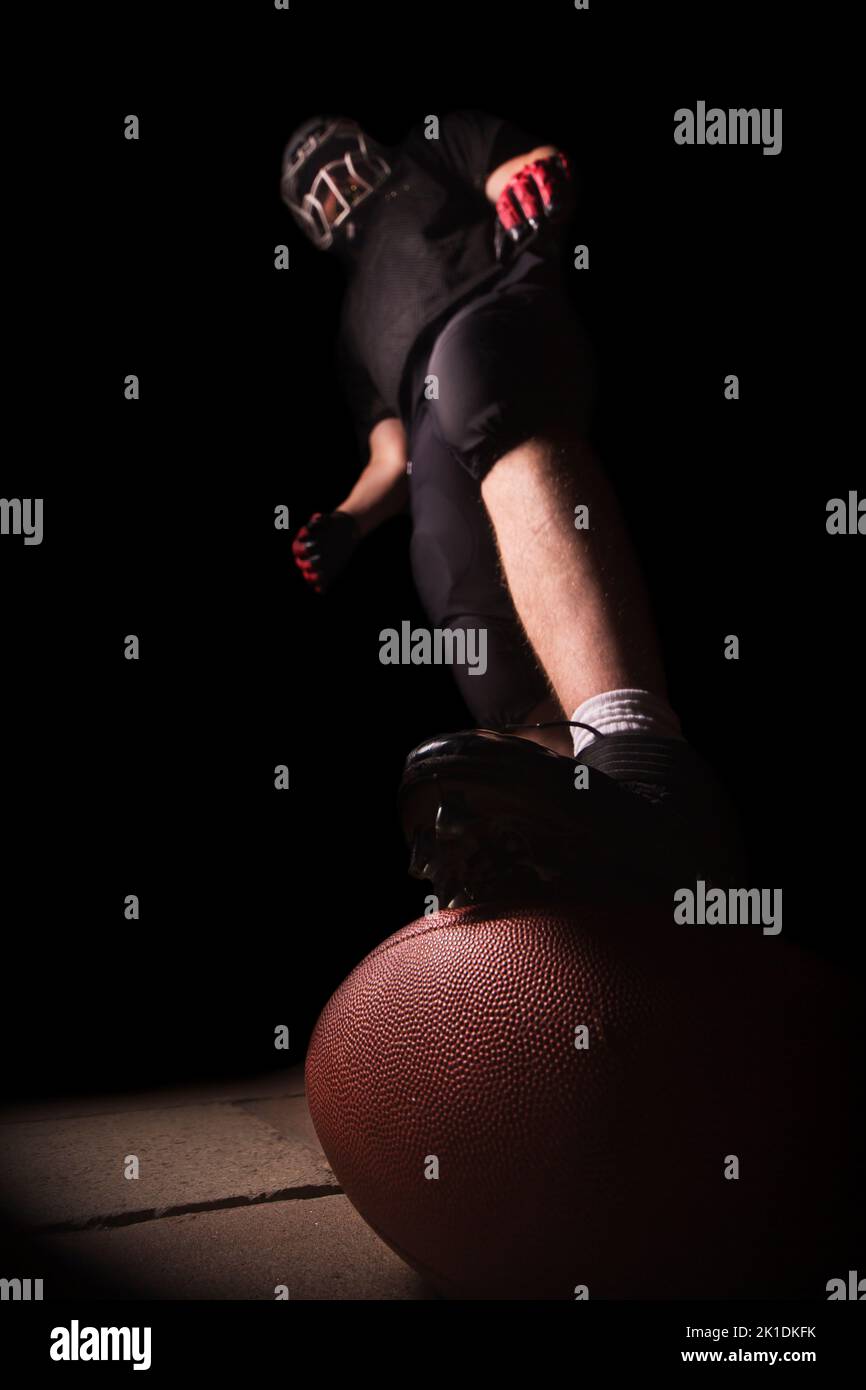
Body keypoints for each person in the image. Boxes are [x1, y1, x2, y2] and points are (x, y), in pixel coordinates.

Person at [282, 112, 745, 907]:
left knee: (473, 383)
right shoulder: (353, 323)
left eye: (331, 154)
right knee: (444, 565)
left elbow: (515, 167)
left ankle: (637, 753)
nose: (327, 175)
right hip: (419, 407)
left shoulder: (430, 152)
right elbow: (387, 456)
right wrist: (350, 520)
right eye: (306, 180)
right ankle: (574, 817)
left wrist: (534, 173)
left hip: (493, 303)